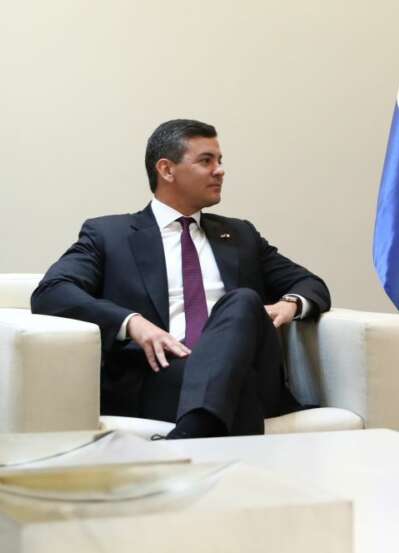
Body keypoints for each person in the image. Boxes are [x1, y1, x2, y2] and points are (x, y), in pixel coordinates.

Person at [32, 119, 331, 439]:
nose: (219, 170)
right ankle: (205, 438)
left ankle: (185, 440)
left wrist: (289, 305)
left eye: (220, 161)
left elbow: (311, 284)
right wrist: (132, 322)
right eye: (206, 161)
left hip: (251, 371)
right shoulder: (109, 235)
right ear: (166, 170)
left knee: (244, 300)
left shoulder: (240, 235)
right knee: (237, 389)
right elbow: (52, 292)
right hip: (163, 376)